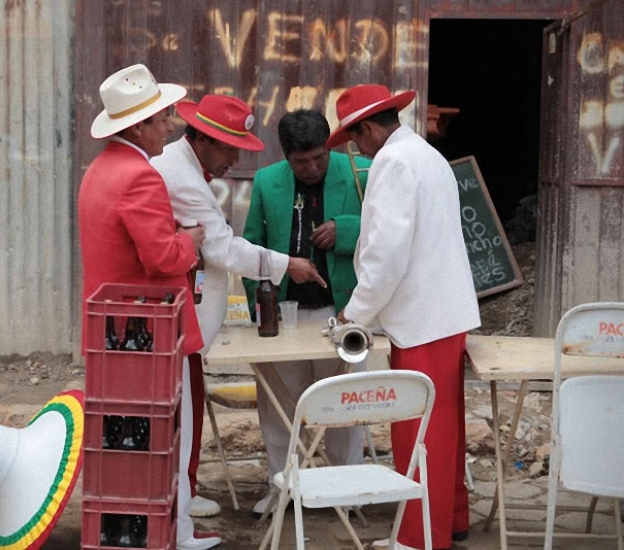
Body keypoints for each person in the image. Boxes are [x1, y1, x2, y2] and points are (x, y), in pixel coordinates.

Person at [151, 96, 327, 519]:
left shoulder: (187, 169)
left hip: (188, 321)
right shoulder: (182, 177)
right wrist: (288, 265)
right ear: (205, 139)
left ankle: (184, 491)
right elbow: (224, 250)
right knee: (182, 416)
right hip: (181, 318)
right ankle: (180, 499)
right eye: (230, 148)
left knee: (186, 410)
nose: (234, 158)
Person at [329, 84, 481, 550]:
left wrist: (353, 313)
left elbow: (385, 255)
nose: (356, 149)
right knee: (445, 429)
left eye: (356, 139)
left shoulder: (393, 162)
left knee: (418, 433)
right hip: (443, 312)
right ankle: (451, 520)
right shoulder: (426, 154)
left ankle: (418, 538)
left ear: (370, 128)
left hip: (420, 317)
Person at [78, 64, 220, 550]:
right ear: (138, 126)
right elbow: (162, 257)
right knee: (166, 438)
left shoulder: (100, 170)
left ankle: (139, 531)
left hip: (112, 328)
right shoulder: (141, 176)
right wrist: (189, 240)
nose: (171, 126)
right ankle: (173, 532)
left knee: (125, 439)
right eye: (163, 119)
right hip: (147, 330)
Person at [241, 109, 371, 517]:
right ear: (286, 157)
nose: (313, 168)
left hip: (345, 313)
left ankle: (345, 491)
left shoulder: (360, 171)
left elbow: (390, 231)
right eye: (302, 162)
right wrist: (262, 316)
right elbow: (251, 246)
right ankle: (281, 488)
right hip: (285, 314)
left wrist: (346, 229)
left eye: (319, 157)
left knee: (345, 407)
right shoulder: (266, 181)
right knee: (278, 407)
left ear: (330, 146)